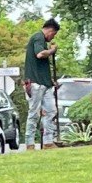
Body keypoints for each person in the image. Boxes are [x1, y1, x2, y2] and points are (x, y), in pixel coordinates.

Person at [21, 15, 61, 148]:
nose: (53, 37)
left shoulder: (42, 40)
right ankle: (30, 143)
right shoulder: (38, 37)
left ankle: (48, 142)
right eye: (53, 34)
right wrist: (52, 50)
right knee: (34, 113)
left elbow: (41, 66)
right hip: (35, 83)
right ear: (50, 30)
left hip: (44, 83)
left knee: (51, 111)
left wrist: (50, 81)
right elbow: (40, 54)